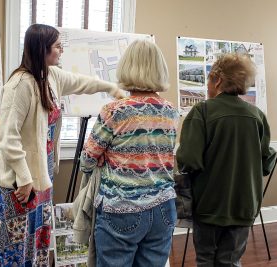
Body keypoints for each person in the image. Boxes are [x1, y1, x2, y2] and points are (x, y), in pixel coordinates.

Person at [0, 24, 124, 267]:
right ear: (42, 49)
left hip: (40, 174)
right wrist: (24, 179)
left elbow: (82, 83)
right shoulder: (20, 85)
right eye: (58, 46)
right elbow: (8, 137)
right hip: (17, 180)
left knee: (34, 241)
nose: (61, 51)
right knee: (11, 245)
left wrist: (112, 89)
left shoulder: (50, 76)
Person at [80, 40, 179, 267]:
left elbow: (87, 160)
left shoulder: (115, 110)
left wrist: (105, 156)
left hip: (121, 209)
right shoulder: (172, 111)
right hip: (164, 206)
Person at [176, 53, 277, 266]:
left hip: (209, 205)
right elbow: (266, 162)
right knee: (231, 261)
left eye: (209, 80)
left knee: (205, 259)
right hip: (244, 206)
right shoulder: (257, 115)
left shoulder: (202, 111)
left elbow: (188, 160)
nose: (208, 86)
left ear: (218, 80)